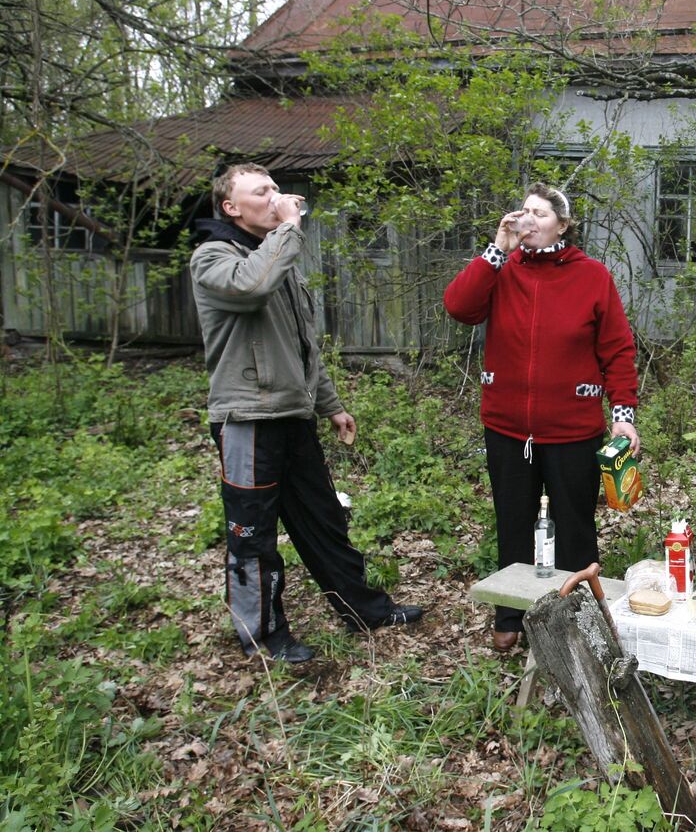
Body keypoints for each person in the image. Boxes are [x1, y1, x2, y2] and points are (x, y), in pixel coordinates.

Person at [190, 164, 422, 664]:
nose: (276, 197)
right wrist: (289, 228)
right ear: (231, 207)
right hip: (247, 419)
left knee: (323, 518)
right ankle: (263, 636)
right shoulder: (213, 256)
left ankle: (363, 609)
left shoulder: (279, 260)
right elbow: (251, 287)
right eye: (261, 191)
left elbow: (302, 348)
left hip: (293, 414)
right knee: (253, 531)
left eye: (277, 188)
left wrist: (330, 404)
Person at [443, 183, 640, 653]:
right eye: (523, 211)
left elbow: (617, 349)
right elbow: (459, 307)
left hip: (573, 429)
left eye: (541, 213)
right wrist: (496, 250)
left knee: (575, 527)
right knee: (513, 522)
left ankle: (578, 621)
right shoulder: (501, 269)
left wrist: (623, 415)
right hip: (508, 428)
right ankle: (511, 614)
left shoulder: (591, 276)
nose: (528, 220)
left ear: (562, 225)